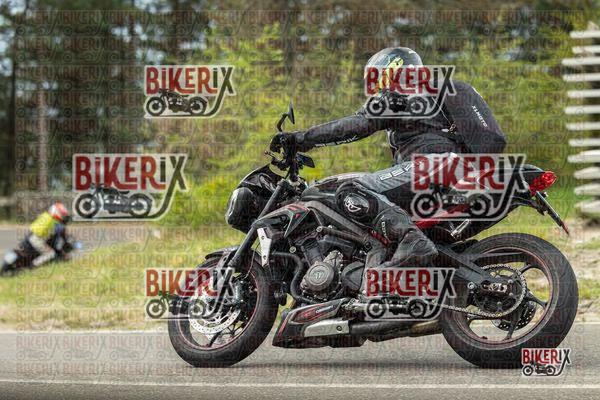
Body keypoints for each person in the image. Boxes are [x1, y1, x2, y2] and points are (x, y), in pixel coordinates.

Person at [270, 47, 506, 269]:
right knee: (379, 208)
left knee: (351, 189)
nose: (376, 86)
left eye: (378, 77)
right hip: (449, 169)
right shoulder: (426, 98)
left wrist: (301, 139)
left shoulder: (402, 93)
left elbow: (358, 124)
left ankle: (412, 240)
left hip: (435, 164)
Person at [27, 202, 71, 266]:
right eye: (62, 214)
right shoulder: (55, 222)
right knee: (50, 254)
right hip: (37, 239)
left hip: (30, 235)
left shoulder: (45, 215)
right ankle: (34, 265)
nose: (63, 217)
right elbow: (61, 234)